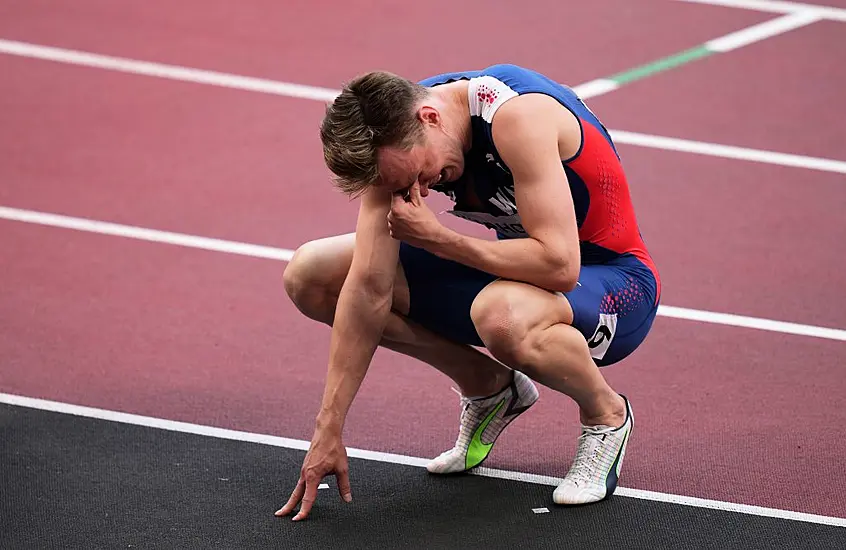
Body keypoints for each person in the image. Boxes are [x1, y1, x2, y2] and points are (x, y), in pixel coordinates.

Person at [276, 64, 660, 521]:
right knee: (311, 275)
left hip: (614, 286)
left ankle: (606, 415)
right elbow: (369, 287)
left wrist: (439, 238)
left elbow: (559, 265)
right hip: (519, 280)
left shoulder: (518, 118)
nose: (417, 191)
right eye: (401, 187)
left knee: (501, 316)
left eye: (420, 174)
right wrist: (328, 428)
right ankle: (490, 389)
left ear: (430, 118)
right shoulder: (397, 143)